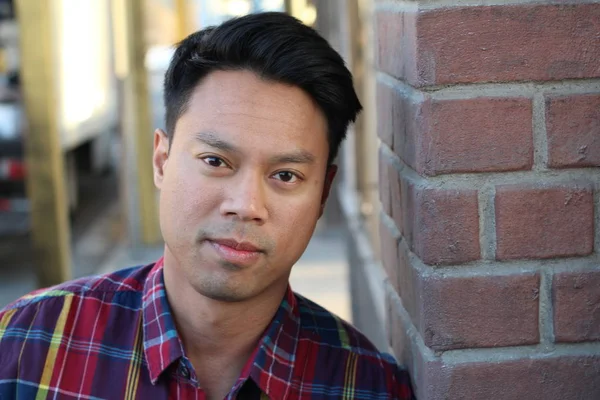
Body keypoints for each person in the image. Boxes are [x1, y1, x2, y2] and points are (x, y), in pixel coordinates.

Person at [0, 12, 414, 400]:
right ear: (162, 160)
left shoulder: (368, 386)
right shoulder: (26, 346)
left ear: (322, 194)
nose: (246, 205)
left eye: (285, 175)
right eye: (216, 162)